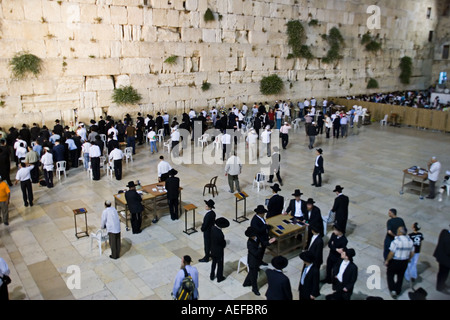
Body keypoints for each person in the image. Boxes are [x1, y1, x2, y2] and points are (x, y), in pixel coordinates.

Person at [385, 226, 414, 299]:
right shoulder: (410, 241)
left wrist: (387, 260)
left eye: (398, 230)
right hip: (404, 261)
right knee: (400, 276)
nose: (397, 232)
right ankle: (398, 290)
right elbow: (412, 253)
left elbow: (391, 253)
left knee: (390, 275)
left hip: (395, 261)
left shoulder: (396, 241)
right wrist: (409, 259)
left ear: (400, 232)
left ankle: (393, 290)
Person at [243, 227, 274, 296]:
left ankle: (246, 283)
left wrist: (268, 242)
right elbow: (255, 253)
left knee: (252, 272)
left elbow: (263, 243)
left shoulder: (257, 237)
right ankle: (255, 289)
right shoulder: (250, 243)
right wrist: (260, 248)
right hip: (253, 261)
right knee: (254, 276)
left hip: (257, 259)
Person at [210, 217, 229, 283]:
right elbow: (222, 243)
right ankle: (219, 277)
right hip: (219, 252)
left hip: (213, 250)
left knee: (214, 263)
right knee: (220, 265)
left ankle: (212, 275)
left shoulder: (212, 228)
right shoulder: (220, 234)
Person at [433, 226, 450, 294]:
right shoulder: (448, 239)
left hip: (441, 257)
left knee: (442, 273)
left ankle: (442, 284)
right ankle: (440, 287)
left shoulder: (444, 231)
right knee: (443, 274)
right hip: (445, 260)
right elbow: (448, 251)